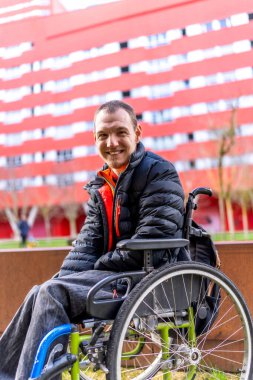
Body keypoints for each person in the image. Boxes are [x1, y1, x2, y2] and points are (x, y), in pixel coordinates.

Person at [0, 100, 185, 380]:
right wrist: (64, 277)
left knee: (53, 294)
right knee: (42, 290)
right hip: (117, 273)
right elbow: (88, 242)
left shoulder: (159, 172)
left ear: (137, 132)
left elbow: (157, 239)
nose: (112, 142)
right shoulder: (102, 183)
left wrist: (99, 266)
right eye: (103, 135)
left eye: (121, 132)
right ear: (94, 138)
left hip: (147, 276)